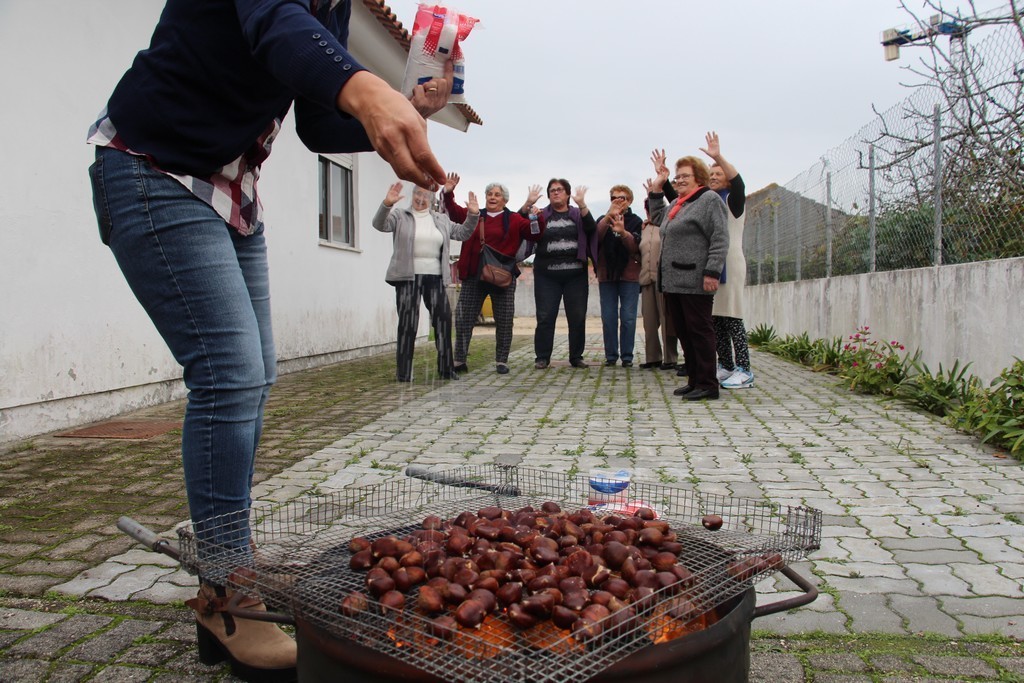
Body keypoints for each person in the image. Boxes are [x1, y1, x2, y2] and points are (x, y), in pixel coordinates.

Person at [86, 2, 453, 680]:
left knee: (254, 375)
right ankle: (227, 592)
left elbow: (315, 120)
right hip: (153, 168)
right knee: (229, 374)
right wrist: (366, 87)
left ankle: (233, 566)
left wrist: (405, 104)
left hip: (230, 191)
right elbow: (274, 23)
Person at [373, 183, 480, 382]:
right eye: (418, 193)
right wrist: (387, 204)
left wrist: (473, 215)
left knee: (443, 321)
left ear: (432, 200)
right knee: (408, 324)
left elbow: (463, 233)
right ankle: (404, 373)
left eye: (426, 195)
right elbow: (380, 224)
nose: (421, 198)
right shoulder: (400, 216)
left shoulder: (441, 219)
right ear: (413, 194)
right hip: (407, 277)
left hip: (435, 277)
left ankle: (446, 369)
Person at [442, 175, 546, 374]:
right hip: (474, 274)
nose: (492, 197)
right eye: (489, 194)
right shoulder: (474, 215)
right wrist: (448, 192)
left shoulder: (514, 219)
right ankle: (459, 360)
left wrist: (537, 217)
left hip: (503, 276)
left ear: (504, 200)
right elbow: (453, 211)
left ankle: (501, 361)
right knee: (464, 319)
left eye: (497, 195)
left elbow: (535, 234)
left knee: (504, 320)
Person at [648, 152, 728, 399]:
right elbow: (658, 218)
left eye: (685, 176)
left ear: (698, 177)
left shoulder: (709, 200)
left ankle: (708, 384)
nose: (680, 180)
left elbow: (720, 238)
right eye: (678, 177)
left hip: (695, 279)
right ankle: (694, 380)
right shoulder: (679, 203)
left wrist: (712, 271)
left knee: (700, 332)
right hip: (674, 281)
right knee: (684, 332)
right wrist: (658, 186)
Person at [526, 178, 597, 369]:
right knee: (545, 317)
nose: (556, 192)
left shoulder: (578, 214)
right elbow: (524, 228)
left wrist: (582, 204)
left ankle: (576, 357)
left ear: (568, 194)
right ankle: (542, 357)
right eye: (552, 190)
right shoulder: (540, 214)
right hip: (546, 276)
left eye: (559, 189)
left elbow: (591, 228)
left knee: (577, 317)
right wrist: (528, 206)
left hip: (576, 275)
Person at [702, 133, 754, 389]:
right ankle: (726, 365)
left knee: (732, 315)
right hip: (713, 263)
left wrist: (718, 156)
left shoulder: (733, 200)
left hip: (730, 263)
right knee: (716, 317)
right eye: (710, 173)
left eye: (718, 173)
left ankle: (744, 370)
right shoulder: (710, 202)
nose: (713, 177)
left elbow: (739, 183)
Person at [595, 186, 643, 367]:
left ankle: (627, 356)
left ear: (629, 201)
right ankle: (611, 356)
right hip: (607, 274)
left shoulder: (636, 221)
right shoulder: (603, 219)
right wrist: (608, 217)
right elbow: (596, 238)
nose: (617, 201)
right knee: (608, 317)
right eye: (613, 198)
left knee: (628, 317)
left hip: (629, 274)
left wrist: (623, 233)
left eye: (621, 198)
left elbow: (635, 247)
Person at [637, 189, 680, 371]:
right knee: (649, 322)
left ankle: (670, 358)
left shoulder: (667, 225)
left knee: (667, 321)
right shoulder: (644, 228)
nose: (651, 212)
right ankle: (653, 357)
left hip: (664, 280)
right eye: (648, 209)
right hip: (646, 280)